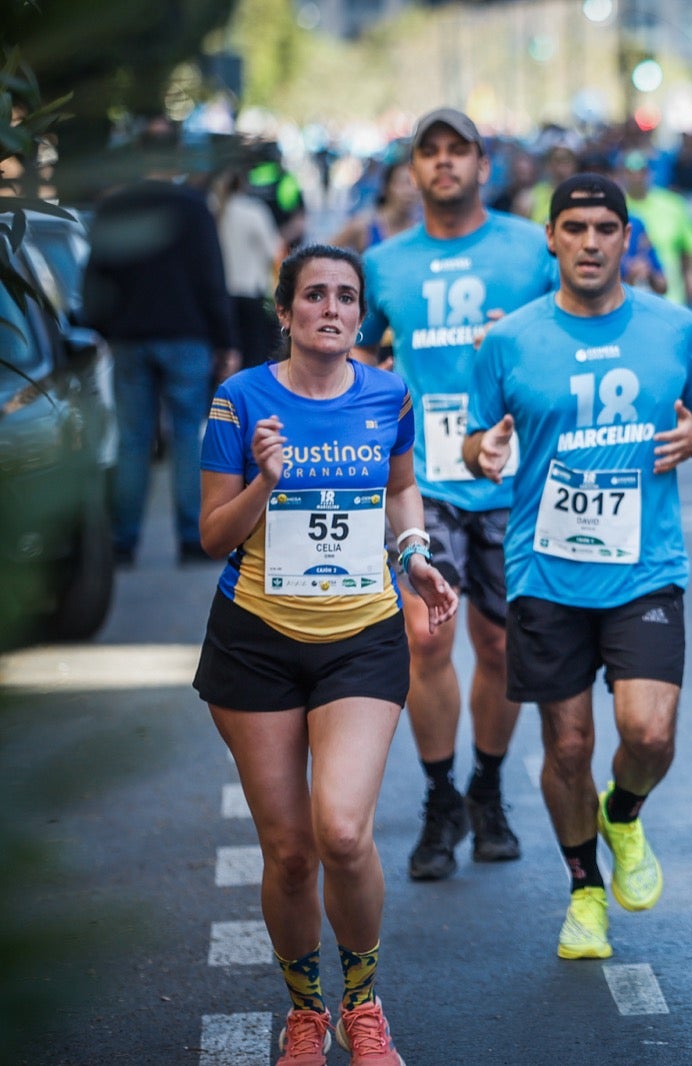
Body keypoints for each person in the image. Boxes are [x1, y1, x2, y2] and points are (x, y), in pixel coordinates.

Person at [194, 244, 458, 1065]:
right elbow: (211, 537)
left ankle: (363, 1002)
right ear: (285, 312)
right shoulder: (240, 404)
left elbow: (402, 487)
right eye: (314, 296)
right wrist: (265, 483)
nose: (333, 310)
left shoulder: (389, 393)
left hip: (361, 637)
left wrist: (414, 551)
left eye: (347, 296)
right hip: (257, 643)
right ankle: (306, 1009)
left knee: (342, 832)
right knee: (289, 850)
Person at [462, 174, 692, 962]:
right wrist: (485, 451)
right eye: (574, 228)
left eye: (607, 228)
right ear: (551, 238)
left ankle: (626, 812)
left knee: (649, 730)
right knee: (567, 746)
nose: (591, 242)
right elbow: (474, 438)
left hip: (645, 564)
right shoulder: (508, 341)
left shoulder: (677, 329)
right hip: (546, 569)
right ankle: (583, 891)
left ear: (628, 237)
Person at [356, 107, 557, 882]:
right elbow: (364, 355)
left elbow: (571, 326)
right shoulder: (385, 264)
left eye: (458, 151)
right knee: (428, 638)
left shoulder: (525, 249)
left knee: (502, 643)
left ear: (483, 165)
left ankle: (488, 785)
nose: (444, 163)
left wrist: (523, 334)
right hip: (423, 479)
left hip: (509, 475)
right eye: (429, 152)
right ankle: (441, 798)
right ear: (413, 170)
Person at [83, 118, 239, 565]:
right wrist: (225, 340)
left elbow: (95, 277)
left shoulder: (117, 206)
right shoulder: (193, 207)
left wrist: (105, 329)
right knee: (188, 434)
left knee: (134, 439)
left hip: (130, 339)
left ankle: (124, 541)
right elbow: (212, 278)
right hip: (187, 337)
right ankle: (192, 537)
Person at [211, 163, 284, 370]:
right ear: (243, 182)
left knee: (226, 360)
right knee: (254, 359)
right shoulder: (253, 210)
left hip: (222, 295)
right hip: (251, 294)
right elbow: (274, 251)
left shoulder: (212, 209)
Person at [619, 149, 692, 307]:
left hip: (670, 299)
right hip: (628, 302)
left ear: (648, 172)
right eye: (630, 172)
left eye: (641, 171)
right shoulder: (615, 207)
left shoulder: (672, 204)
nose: (636, 177)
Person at [330, 159, 420, 255]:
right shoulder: (363, 226)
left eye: (416, 185)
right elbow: (324, 252)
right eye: (403, 183)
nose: (410, 191)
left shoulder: (420, 231)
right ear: (385, 187)